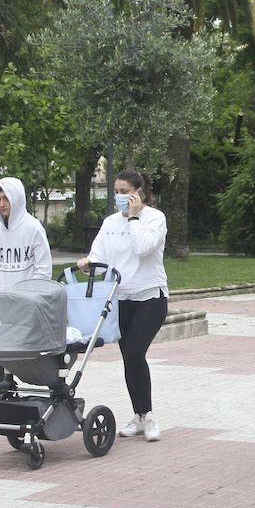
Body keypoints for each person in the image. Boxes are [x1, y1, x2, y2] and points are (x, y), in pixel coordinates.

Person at [76, 169, 168, 442]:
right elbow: (99, 254)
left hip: (151, 297)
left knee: (136, 352)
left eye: (124, 191)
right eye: (116, 192)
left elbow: (143, 248)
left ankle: (148, 416)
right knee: (128, 357)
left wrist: (135, 217)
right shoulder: (109, 222)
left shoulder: (155, 219)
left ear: (139, 192)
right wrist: (88, 263)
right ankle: (139, 416)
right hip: (121, 298)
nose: (119, 197)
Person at [0, 177, 53, 417]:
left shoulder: (33, 229)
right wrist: (1, 298)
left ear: (17, 198)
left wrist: (26, 300)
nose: (2, 204)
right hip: (4, 307)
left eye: (6, 198)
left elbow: (43, 271)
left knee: (33, 359)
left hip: (29, 307)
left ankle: (52, 406)